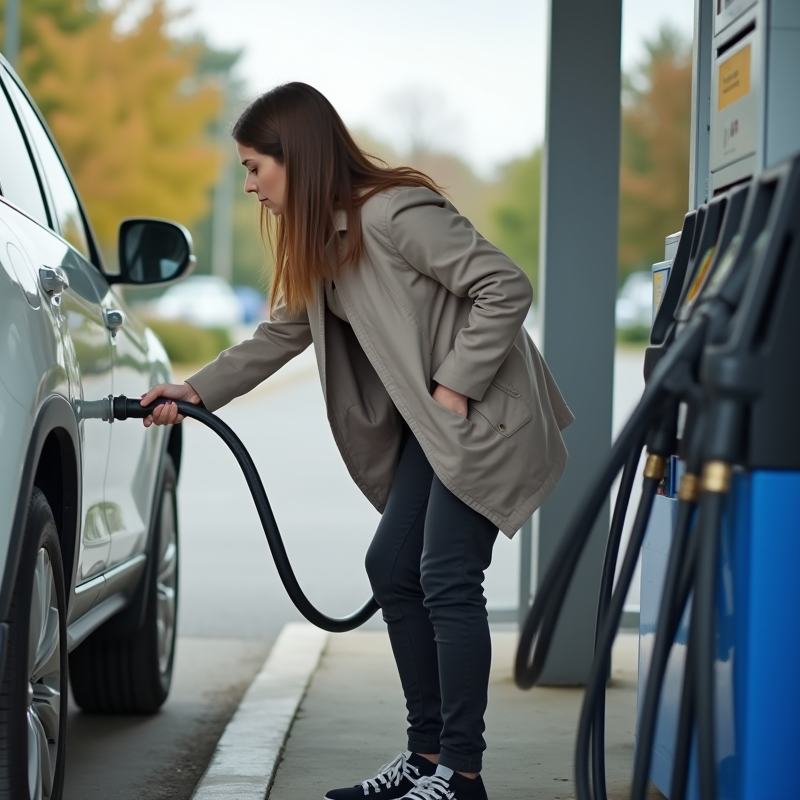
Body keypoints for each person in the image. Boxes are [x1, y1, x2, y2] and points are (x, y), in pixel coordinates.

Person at [141, 82, 573, 800]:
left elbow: (504, 284)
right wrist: (196, 390)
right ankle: (425, 756)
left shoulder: (396, 213)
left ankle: (460, 775)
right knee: (393, 568)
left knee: (446, 578)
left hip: (478, 423)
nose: (249, 186)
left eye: (256, 167)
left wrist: (456, 383)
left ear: (298, 159)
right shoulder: (325, 238)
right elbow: (280, 333)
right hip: (435, 436)